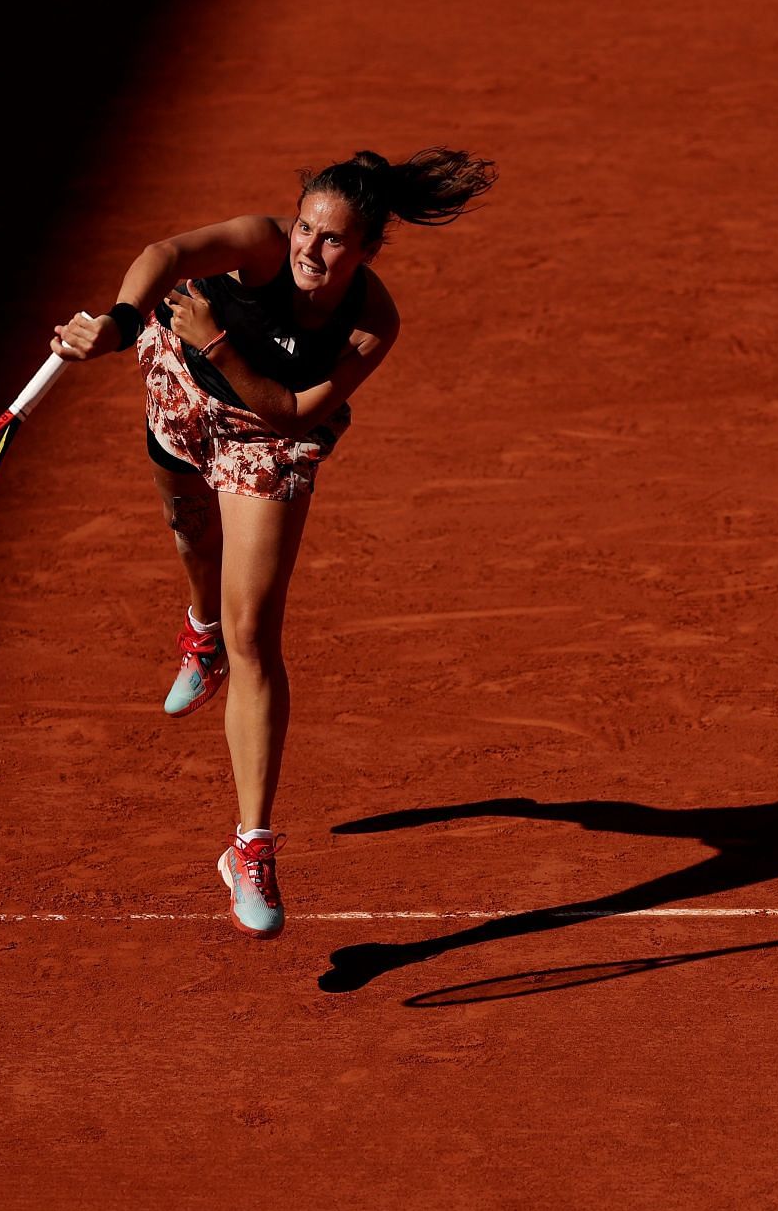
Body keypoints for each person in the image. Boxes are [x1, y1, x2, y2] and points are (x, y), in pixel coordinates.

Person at [49, 148, 496, 940]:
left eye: (333, 240)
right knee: (190, 534)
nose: (309, 249)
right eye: (305, 227)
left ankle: (248, 844)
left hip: (267, 434)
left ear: (365, 251)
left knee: (258, 630)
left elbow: (290, 412)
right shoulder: (257, 246)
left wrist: (219, 341)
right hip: (185, 389)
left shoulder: (371, 324)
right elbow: (167, 257)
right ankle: (200, 632)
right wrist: (118, 325)